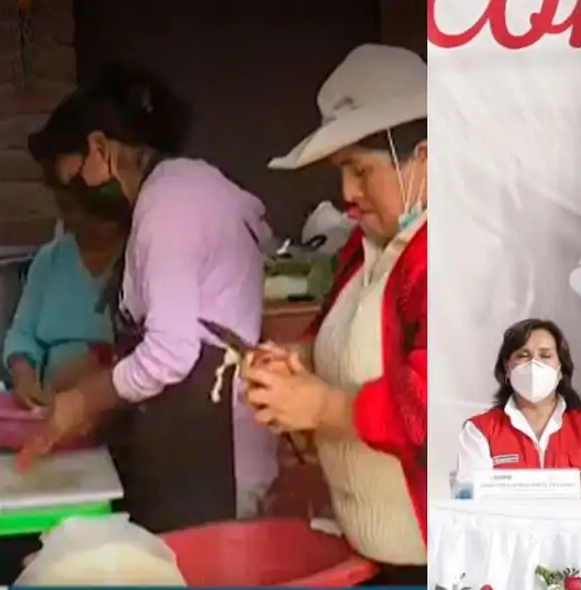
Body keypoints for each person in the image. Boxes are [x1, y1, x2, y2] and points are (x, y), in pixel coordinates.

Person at [17, 62, 278, 531]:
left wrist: (83, 400)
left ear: (99, 149)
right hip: (195, 444)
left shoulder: (167, 204)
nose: (70, 201)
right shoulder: (189, 186)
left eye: (68, 179)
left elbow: (171, 353)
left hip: (210, 459)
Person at [240, 44, 427, 585]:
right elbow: (338, 340)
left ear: (422, 155)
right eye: (341, 171)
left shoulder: (449, 257)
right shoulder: (365, 248)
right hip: (371, 550)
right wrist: (291, 361)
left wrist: (318, 405)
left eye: (360, 170)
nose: (346, 193)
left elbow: (431, 410)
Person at [455, 318, 581, 499]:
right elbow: (469, 496)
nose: (534, 364)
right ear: (507, 367)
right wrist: (575, 490)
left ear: (560, 368)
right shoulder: (479, 430)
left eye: (545, 355)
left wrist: (504, 489)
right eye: (523, 355)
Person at [3, 189, 124, 409]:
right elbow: (23, 333)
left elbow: (156, 348)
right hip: (50, 407)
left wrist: (101, 359)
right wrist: (23, 372)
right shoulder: (50, 259)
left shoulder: (139, 258)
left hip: (115, 406)